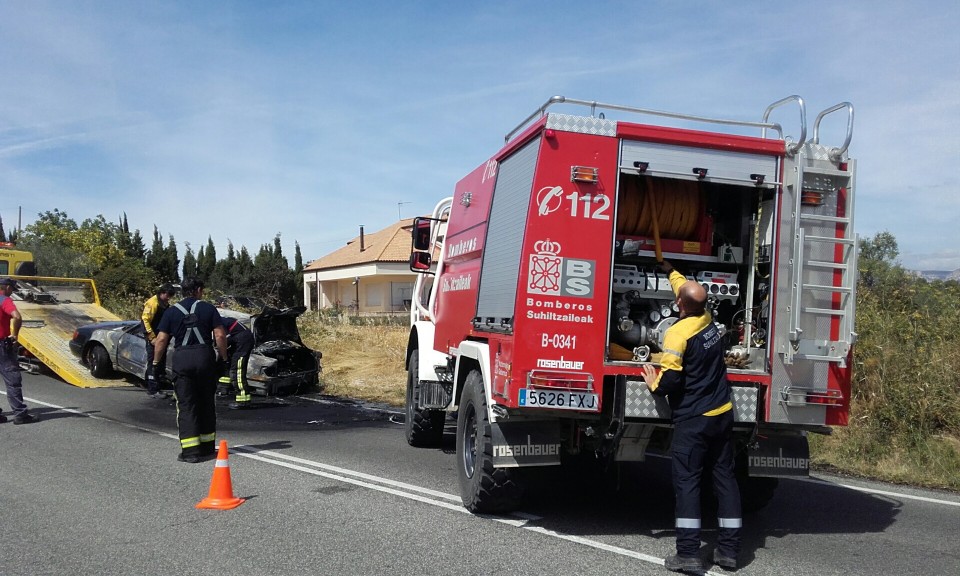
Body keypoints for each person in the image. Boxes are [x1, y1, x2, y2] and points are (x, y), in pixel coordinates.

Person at [640, 260, 741, 573]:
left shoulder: (676, 334)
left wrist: (652, 381)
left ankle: (688, 554)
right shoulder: (708, 320)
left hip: (694, 419)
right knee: (725, 480)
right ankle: (728, 552)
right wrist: (670, 270)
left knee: (688, 484)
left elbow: (668, 383)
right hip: (722, 413)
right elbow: (686, 290)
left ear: (678, 305)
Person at [153, 277, 228, 463]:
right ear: (199, 290)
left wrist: (156, 363)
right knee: (206, 403)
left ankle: (190, 452)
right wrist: (224, 358)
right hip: (204, 358)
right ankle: (208, 447)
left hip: (182, 360)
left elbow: (161, 340)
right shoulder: (208, 308)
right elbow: (219, 334)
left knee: (187, 405)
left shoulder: (171, 312)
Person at [0, 278, 38, 425]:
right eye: (12, 289)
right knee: (12, 379)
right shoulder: (5, 300)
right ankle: (20, 414)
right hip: (2, 346)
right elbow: (17, 316)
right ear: (7, 287)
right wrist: (14, 334)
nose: (12, 292)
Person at [141, 283, 176, 399]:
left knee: (160, 363)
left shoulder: (164, 303)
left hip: (161, 338)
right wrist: (151, 338)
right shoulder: (153, 303)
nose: (169, 298)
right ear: (162, 293)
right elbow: (145, 320)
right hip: (154, 339)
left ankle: (156, 385)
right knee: (153, 363)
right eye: (168, 295)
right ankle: (152, 389)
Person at [217, 314, 254, 409]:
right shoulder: (220, 320)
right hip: (238, 339)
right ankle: (224, 389)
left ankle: (243, 401)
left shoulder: (217, 323)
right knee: (225, 362)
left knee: (237, 370)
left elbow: (221, 338)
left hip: (242, 342)